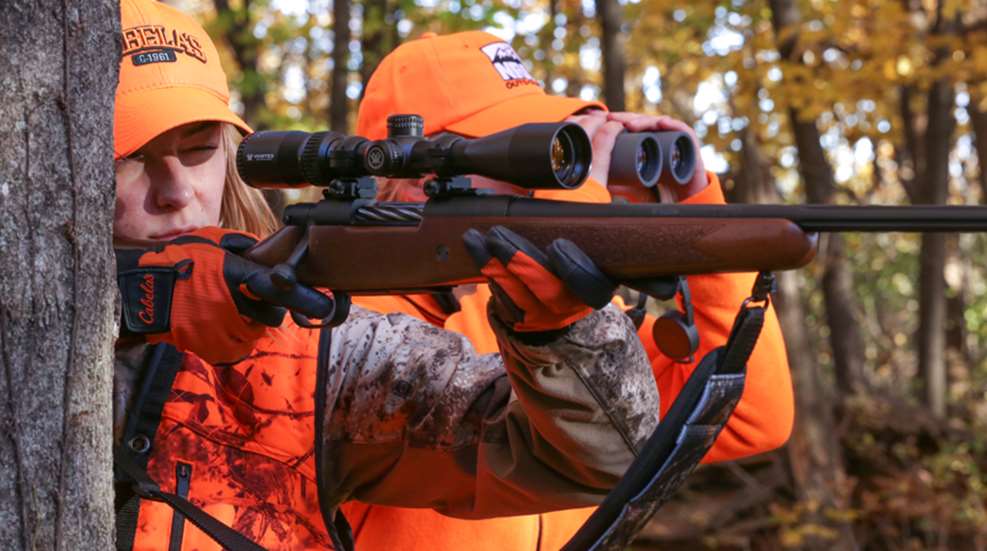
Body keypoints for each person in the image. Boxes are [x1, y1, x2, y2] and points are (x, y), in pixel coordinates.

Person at [111, 2, 662, 550]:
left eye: (199, 150)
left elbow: (606, 460)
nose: (178, 192)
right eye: (128, 157)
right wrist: (130, 309)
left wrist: (563, 332)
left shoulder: (314, 355)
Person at [341, 31, 795, 550]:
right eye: (525, 152)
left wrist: (695, 213)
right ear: (422, 177)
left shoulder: (547, 311)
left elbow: (748, 419)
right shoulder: (346, 329)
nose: (556, 174)